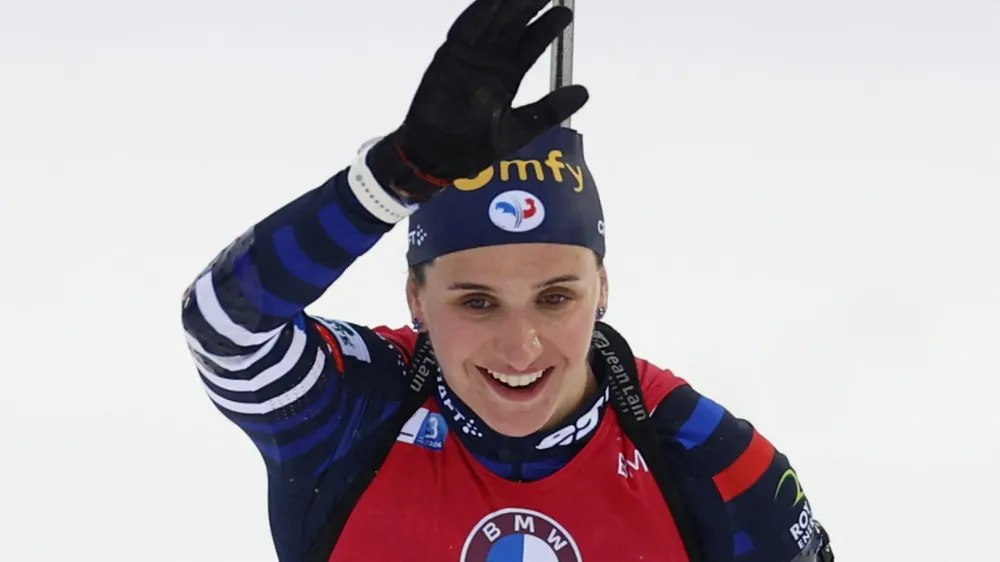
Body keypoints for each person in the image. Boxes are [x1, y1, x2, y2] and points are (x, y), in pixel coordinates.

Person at [180, 0, 836, 560]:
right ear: (417, 298)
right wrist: (392, 180)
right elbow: (223, 325)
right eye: (477, 302)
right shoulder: (351, 413)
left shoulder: (709, 464)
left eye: (555, 298)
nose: (520, 347)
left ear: (602, 289)